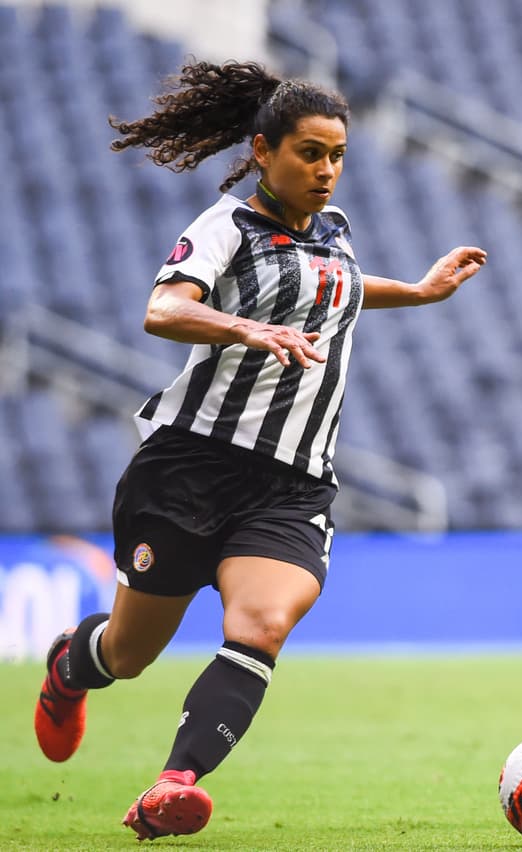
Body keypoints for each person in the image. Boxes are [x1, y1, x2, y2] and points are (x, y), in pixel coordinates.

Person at [33, 60, 487, 840]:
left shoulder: (335, 233)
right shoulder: (224, 227)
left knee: (263, 624)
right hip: (190, 470)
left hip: (291, 485)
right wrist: (244, 326)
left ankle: (174, 784)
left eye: (337, 154)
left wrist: (414, 291)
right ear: (265, 150)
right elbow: (163, 308)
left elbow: (330, 284)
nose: (326, 169)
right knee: (130, 654)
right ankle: (71, 670)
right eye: (310, 152)